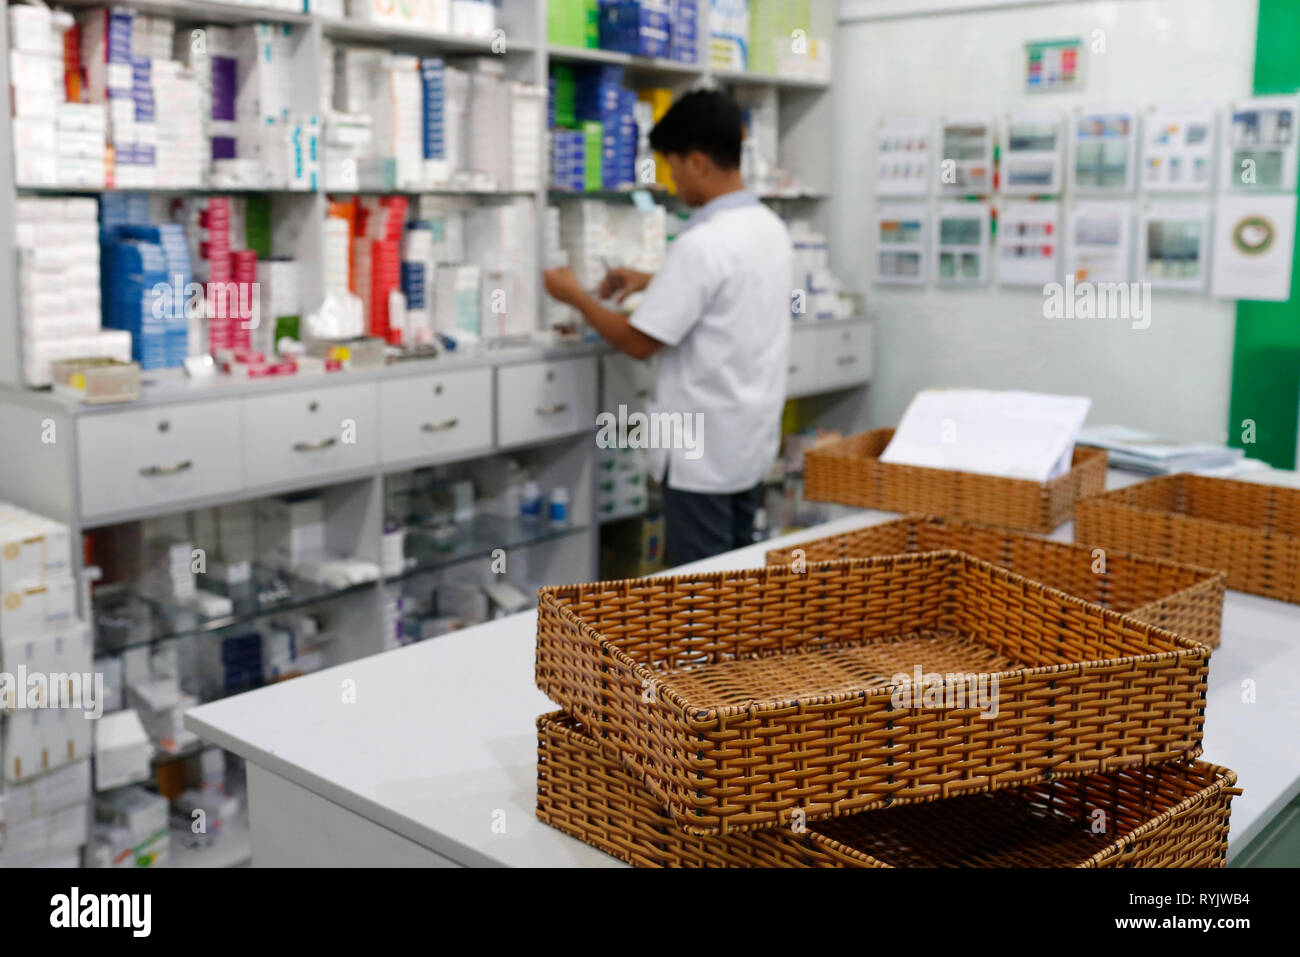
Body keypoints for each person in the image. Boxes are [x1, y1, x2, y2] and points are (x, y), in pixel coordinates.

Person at [542, 89, 793, 566]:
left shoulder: (703, 243)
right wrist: (652, 280)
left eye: (673, 167)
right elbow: (729, 291)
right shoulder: (767, 227)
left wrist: (573, 296)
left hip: (701, 456)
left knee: (700, 600)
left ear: (698, 161)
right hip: (749, 444)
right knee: (739, 585)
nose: (673, 181)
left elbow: (639, 343)